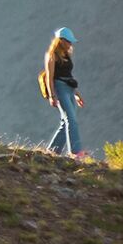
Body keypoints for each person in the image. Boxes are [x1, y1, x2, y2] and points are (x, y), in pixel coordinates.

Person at [40, 27, 87, 156]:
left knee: (65, 121)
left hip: (70, 89)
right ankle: (76, 152)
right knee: (71, 120)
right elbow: (50, 77)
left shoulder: (66, 54)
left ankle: (52, 152)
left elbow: (68, 74)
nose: (71, 44)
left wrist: (77, 94)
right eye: (69, 41)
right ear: (61, 41)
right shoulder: (52, 55)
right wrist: (51, 96)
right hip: (60, 88)